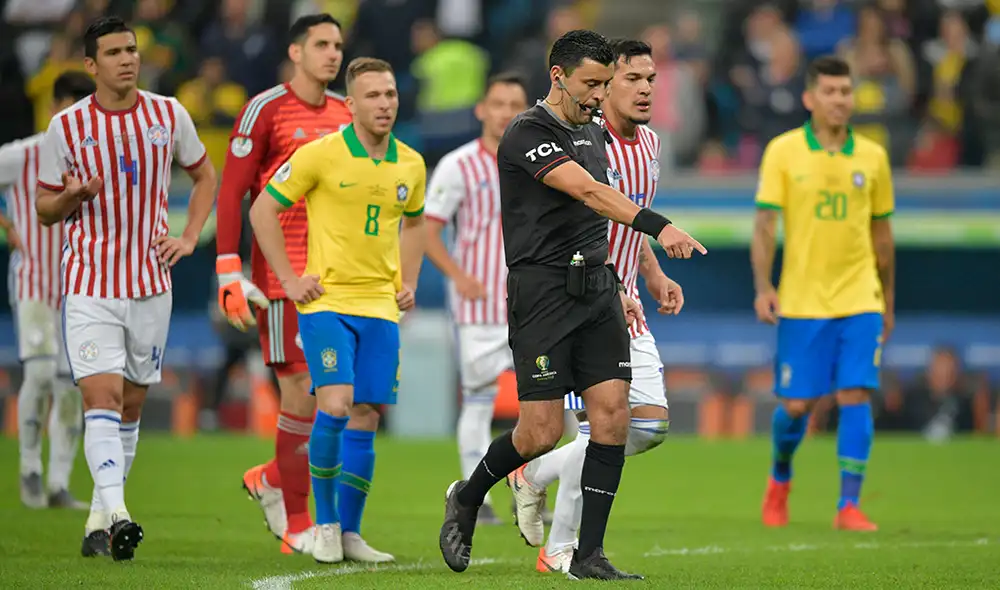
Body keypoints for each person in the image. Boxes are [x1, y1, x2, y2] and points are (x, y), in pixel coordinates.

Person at [438, 29, 705, 581]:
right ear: (558, 75)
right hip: (542, 295)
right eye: (592, 84)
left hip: (599, 291)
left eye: (606, 84)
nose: (598, 95)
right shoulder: (529, 132)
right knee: (540, 433)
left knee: (612, 419)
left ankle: (589, 555)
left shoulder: (596, 132)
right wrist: (659, 229)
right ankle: (470, 494)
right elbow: (587, 193)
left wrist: (630, 281)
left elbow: (602, 218)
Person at [35, 16, 216, 561]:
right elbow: (45, 208)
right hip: (90, 283)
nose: (127, 59)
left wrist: (188, 236)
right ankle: (119, 514)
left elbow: (206, 175)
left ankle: (100, 517)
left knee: (131, 404)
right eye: (113, 52)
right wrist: (72, 197)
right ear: (90, 65)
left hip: (150, 284)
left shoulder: (169, 114)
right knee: (102, 398)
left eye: (131, 49)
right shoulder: (65, 128)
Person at [506, 38, 682, 574]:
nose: (644, 88)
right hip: (583, 295)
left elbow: (633, 216)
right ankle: (562, 550)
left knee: (646, 426)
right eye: (631, 79)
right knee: (600, 428)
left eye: (650, 79)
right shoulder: (583, 138)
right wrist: (613, 283)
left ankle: (533, 476)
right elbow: (588, 210)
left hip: (623, 292)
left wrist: (651, 274)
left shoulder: (650, 143)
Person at [249, 57, 426, 564]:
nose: (385, 104)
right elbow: (263, 208)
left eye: (390, 94)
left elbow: (414, 224)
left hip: (381, 307)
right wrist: (287, 278)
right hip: (326, 302)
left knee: (367, 415)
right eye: (373, 96)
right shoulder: (319, 154)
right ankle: (323, 526)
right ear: (350, 105)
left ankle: (350, 533)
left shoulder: (410, 163)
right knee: (334, 405)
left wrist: (407, 281)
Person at [213, 14, 354, 555]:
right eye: (321, 44)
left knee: (338, 403)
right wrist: (230, 269)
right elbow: (233, 192)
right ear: (296, 52)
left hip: (339, 280)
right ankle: (297, 523)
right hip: (283, 280)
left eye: (338, 45)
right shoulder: (265, 109)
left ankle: (273, 478)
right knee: (300, 394)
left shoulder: (346, 113)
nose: (332, 54)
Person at [752, 55, 895, 532]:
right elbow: (765, 225)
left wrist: (887, 301)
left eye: (846, 91)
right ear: (810, 98)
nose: (840, 100)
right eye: (830, 92)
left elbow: (882, 236)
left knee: (855, 393)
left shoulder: (873, 157)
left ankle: (847, 507)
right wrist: (763, 286)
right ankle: (780, 478)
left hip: (860, 297)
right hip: (802, 299)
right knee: (796, 407)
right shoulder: (784, 152)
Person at [425, 71, 571, 526]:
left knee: (554, 407)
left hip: (534, 306)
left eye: (514, 104)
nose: (506, 112)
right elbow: (429, 232)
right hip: (480, 308)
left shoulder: (540, 159)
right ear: (481, 110)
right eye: (498, 104)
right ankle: (476, 495)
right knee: (479, 400)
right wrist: (459, 276)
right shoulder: (458, 165)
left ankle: (531, 489)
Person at [1, 71, 95, 511]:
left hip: (79, 288)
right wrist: (6, 227)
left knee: (73, 388)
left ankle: (58, 482)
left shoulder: (94, 160)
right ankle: (29, 471)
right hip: (35, 282)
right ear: (56, 107)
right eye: (72, 108)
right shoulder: (24, 155)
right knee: (39, 375)